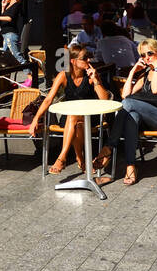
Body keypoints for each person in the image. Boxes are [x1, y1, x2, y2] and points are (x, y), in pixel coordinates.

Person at [93, 38, 157, 188]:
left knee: (128, 104)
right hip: (146, 118)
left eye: (150, 53)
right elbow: (126, 95)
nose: (146, 58)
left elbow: (156, 89)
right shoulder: (145, 72)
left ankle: (109, 147)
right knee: (132, 116)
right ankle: (130, 166)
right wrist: (133, 71)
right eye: (143, 55)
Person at [27, 45, 111, 174]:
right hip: (71, 120)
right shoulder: (63, 76)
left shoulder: (91, 76)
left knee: (73, 117)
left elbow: (105, 100)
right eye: (84, 58)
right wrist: (35, 119)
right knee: (74, 119)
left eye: (89, 58)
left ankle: (62, 158)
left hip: (90, 117)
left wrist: (95, 80)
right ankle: (81, 160)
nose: (88, 61)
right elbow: (48, 99)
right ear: (73, 60)